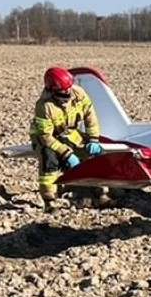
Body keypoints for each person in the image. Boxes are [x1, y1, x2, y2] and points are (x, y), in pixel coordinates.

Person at [29, 66, 109, 212]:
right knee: (50, 160)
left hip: (69, 132)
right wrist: (67, 154)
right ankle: (49, 202)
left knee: (95, 157)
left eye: (69, 87)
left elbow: (90, 117)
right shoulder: (44, 106)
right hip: (46, 137)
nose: (68, 91)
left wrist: (93, 140)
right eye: (63, 90)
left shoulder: (79, 93)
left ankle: (100, 194)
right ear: (53, 90)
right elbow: (46, 136)